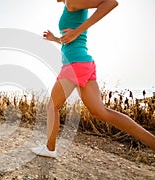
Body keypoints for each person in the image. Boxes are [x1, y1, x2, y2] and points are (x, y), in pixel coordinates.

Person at [31, 0, 155, 158]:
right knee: (99, 112)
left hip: (74, 65)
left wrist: (77, 31)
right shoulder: (70, 6)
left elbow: (110, 3)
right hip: (84, 64)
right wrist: (55, 38)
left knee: (52, 106)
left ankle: (49, 148)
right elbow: (70, 39)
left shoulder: (72, 2)